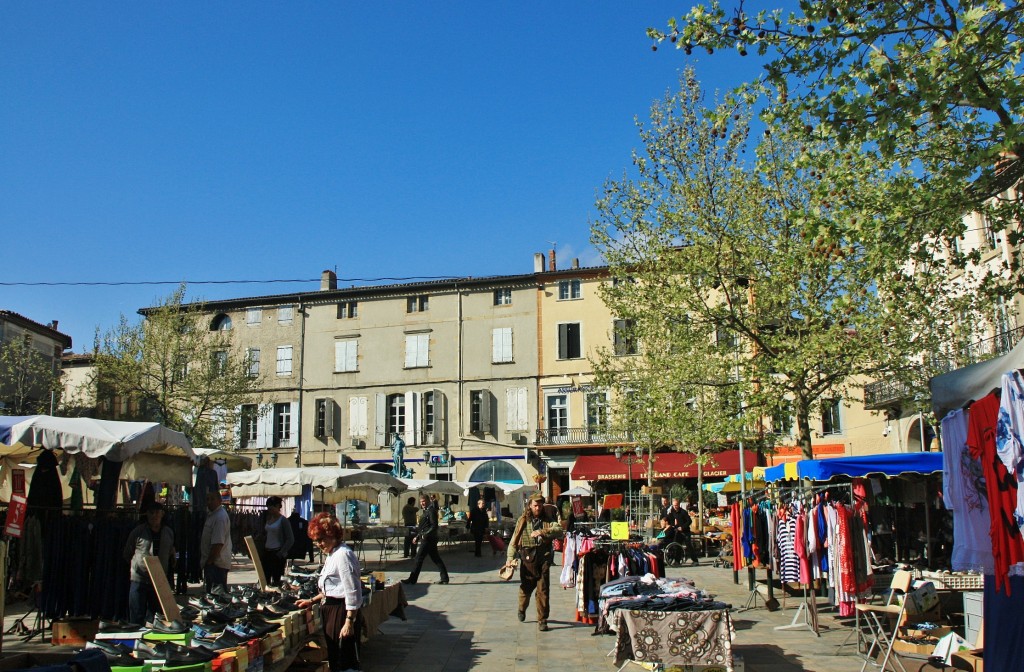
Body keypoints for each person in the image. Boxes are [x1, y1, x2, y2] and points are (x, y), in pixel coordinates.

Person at [296, 513, 362, 672]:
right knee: (335, 656)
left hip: (341, 611)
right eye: (316, 541)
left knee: (343, 658)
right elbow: (331, 588)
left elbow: (352, 590)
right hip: (332, 610)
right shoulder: (333, 554)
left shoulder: (343, 555)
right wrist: (312, 601)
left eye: (321, 539)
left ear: (332, 535)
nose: (319, 544)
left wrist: (349, 621)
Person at [506, 493, 563, 632]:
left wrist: (542, 532)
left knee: (543, 590)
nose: (538, 508)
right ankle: (522, 608)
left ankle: (542, 620)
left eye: (540, 505)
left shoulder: (547, 519)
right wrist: (509, 558)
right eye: (535, 505)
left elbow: (559, 530)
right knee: (526, 589)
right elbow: (514, 541)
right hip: (527, 559)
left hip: (543, 558)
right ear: (530, 505)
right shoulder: (523, 520)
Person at [123, 502, 174, 626]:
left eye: (157, 512)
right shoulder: (138, 531)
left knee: (155, 617)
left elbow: (171, 553)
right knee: (136, 615)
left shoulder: (168, 532)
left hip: (159, 580)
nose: (154, 516)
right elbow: (127, 552)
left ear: (162, 514)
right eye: (151, 513)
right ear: (147, 514)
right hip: (139, 579)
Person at [402, 494, 450, 585]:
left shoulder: (431, 511)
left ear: (428, 501)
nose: (422, 503)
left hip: (428, 539)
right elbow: (424, 526)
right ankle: (444, 578)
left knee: (418, 558)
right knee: (436, 558)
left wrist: (424, 535)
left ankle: (412, 579)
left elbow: (434, 525)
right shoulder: (426, 511)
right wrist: (417, 536)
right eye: (420, 502)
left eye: (423, 501)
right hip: (427, 538)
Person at [200, 490, 232, 593]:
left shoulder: (220, 517)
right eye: (207, 499)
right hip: (213, 564)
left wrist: (209, 562)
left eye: (212, 499)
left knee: (217, 597)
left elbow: (218, 543)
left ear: (219, 500)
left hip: (217, 565)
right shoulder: (212, 515)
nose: (209, 502)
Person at [259, 496, 294, 586]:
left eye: (272, 506)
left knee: (277, 579)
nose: (270, 508)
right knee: (265, 578)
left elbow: (290, 539)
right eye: (268, 506)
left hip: (277, 552)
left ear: (278, 506)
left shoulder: (283, 521)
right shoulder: (267, 519)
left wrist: (281, 553)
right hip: (267, 552)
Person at [663, 498, 699, 565]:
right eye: (674, 505)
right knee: (677, 546)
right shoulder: (672, 511)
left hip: (685, 532)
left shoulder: (683, 512)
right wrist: (665, 519)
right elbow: (669, 518)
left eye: (676, 505)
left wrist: (682, 527)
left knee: (689, 546)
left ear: (679, 505)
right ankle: (677, 561)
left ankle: (695, 560)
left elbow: (689, 521)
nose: (675, 507)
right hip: (678, 532)